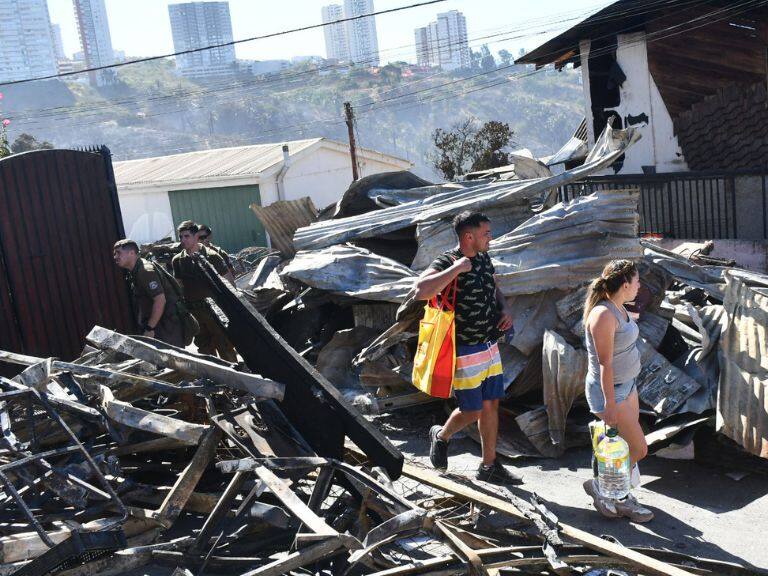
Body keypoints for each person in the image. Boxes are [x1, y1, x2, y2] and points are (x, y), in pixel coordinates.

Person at [414, 211, 520, 484]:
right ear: (468, 236)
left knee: (491, 405)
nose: (490, 237)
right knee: (472, 410)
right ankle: (441, 435)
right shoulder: (447, 261)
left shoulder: (484, 257)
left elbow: (493, 286)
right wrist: (456, 270)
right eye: (486, 233)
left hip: (489, 343)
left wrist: (505, 308)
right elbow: (421, 290)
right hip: (465, 348)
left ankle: (488, 466)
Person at [582, 259, 653, 522]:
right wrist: (609, 404)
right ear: (625, 284)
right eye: (636, 281)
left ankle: (618, 495)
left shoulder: (619, 308)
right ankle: (603, 487)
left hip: (627, 385)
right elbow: (604, 364)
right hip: (612, 391)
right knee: (637, 449)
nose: (639, 285)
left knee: (619, 446)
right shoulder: (603, 315)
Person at [171, 220, 238, 362]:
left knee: (225, 345)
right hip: (194, 312)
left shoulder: (212, 256)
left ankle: (236, 380)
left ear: (196, 237)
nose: (183, 240)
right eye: (181, 237)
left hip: (216, 310)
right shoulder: (178, 260)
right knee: (204, 348)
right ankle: (215, 380)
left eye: (186, 236)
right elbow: (179, 286)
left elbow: (230, 284)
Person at [113, 239, 184, 347]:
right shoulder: (136, 271)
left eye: (118, 253)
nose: (115, 257)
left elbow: (160, 300)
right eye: (114, 254)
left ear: (131, 253)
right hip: (160, 325)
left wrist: (150, 328)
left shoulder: (145, 271)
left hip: (166, 327)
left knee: (172, 361)